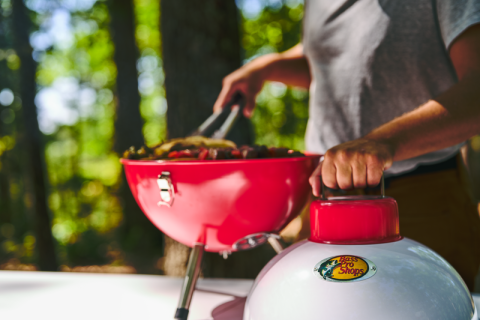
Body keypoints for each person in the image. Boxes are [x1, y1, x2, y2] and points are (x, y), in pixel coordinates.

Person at [214, 0, 480, 290]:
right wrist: (267, 67)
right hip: (323, 201)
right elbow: (329, 61)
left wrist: (383, 142)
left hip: (422, 198)